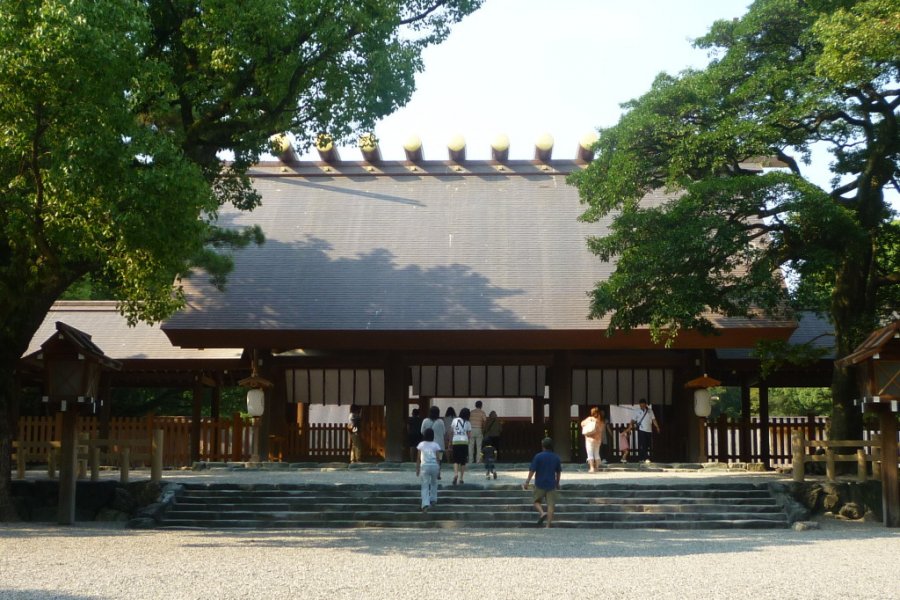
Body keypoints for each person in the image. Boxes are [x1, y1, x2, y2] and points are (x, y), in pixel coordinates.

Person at [522, 437, 562, 528]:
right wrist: (557, 483)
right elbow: (558, 472)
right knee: (551, 505)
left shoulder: (538, 456)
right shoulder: (556, 457)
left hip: (540, 483)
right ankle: (547, 526)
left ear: (543, 446)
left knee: (536, 501)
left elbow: (532, 470)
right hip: (551, 484)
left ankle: (542, 512)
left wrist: (527, 482)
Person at [416, 428, 442, 512]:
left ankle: (425, 504)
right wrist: (439, 471)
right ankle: (433, 499)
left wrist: (417, 469)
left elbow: (418, 458)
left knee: (425, 485)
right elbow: (438, 458)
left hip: (425, 466)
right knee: (434, 483)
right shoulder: (436, 445)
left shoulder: (421, 444)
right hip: (434, 465)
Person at [632, 398, 661, 463]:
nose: (642, 406)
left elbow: (654, 419)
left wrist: (657, 427)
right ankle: (645, 458)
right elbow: (633, 420)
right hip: (641, 429)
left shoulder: (650, 411)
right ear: (639, 405)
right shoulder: (637, 411)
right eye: (641, 405)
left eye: (643, 405)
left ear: (645, 404)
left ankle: (641, 458)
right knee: (643, 444)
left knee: (648, 444)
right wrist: (631, 425)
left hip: (649, 430)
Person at [420, 406, 445, 479]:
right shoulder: (441, 422)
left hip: (428, 444)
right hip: (439, 444)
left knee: (428, 459)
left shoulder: (425, 421)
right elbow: (444, 432)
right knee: (439, 459)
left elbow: (422, 431)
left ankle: (427, 473)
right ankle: (438, 473)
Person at [450, 407, 471, 485]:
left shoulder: (455, 420)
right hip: (464, 442)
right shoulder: (468, 423)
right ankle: (461, 478)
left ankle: (455, 474)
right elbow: (469, 435)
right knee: (463, 461)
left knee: (455, 460)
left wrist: (449, 442)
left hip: (456, 441)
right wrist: (468, 441)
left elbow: (451, 432)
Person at [580, 407, 602, 473]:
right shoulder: (599, 421)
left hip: (589, 439)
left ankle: (592, 468)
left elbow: (582, 423)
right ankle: (597, 468)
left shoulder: (589, 419)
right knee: (597, 454)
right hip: (597, 439)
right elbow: (600, 430)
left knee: (590, 454)